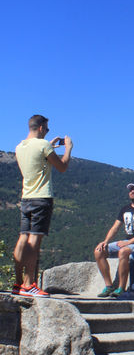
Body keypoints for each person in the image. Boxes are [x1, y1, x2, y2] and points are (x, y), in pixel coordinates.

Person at [13, 114, 73, 297]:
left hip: (26, 197)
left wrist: (49, 145)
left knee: (23, 238)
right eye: (46, 129)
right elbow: (62, 167)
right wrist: (68, 149)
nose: (47, 131)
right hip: (42, 198)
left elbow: (38, 160)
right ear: (40, 128)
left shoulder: (20, 146)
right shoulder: (43, 145)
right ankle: (29, 283)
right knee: (34, 241)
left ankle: (18, 283)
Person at [93, 183, 134, 297]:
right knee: (99, 251)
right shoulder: (125, 209)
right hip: (126, 241)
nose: (132, 192)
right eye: (131, 190)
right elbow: (115, 227)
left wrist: (128, 243)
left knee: (123, 251)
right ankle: (109, 286)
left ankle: (121, 288)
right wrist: (105, 241)